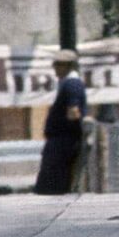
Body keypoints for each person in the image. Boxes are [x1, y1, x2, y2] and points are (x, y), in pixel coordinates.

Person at [33, 49, 87, 194]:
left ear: (69, 66)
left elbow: (73, 112)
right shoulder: (67, 83)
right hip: (61, 141)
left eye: (59, 64)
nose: (55, 68)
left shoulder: (72, 84)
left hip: (63, 142)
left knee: (52, 182)